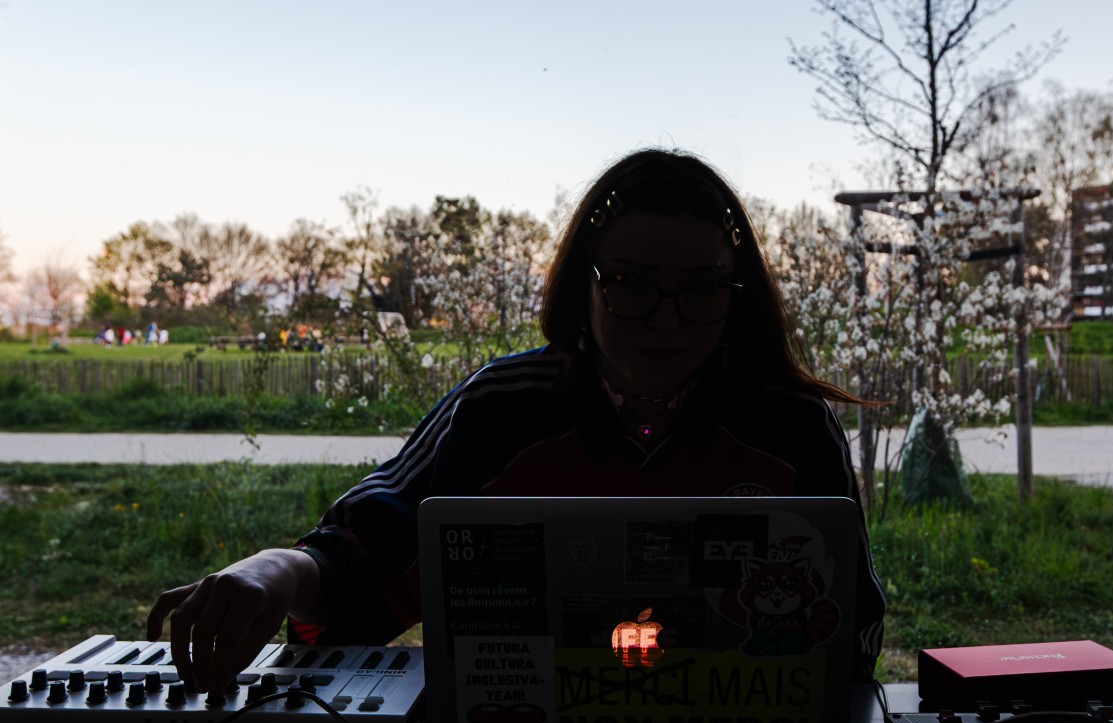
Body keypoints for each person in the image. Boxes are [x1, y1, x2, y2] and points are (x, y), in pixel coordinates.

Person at [147, 147, 886, 694]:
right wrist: (273, 570)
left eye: (700, 290)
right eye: (630, 284)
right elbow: (361, 558)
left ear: (737, 298)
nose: (667, 320)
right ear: (581, 287)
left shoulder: (793, 430)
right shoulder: (498, 410)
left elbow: (850, 641)